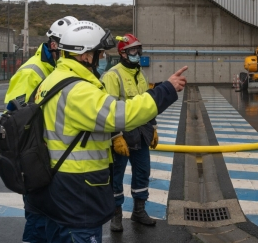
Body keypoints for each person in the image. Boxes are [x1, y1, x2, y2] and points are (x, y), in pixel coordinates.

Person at [25, 21, 187, 243]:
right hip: (77, 189)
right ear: (84, 55)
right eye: (98, 54)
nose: (101, 59)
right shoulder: (78, 90)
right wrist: (166, 90)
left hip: (57, 183)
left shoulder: (54, 79)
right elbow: (120, 115)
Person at [3, 16, 78, 243]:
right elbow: (14, 120)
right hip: (35, 159)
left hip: (53, 158)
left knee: (53, 219)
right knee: (38, 219)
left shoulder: (59, 68)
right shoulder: (32, 72)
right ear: (55, 44)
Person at [100, 33, 157, 232]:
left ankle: (139, 211)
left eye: (138, 50)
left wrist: (154, 127)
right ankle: (116, 216)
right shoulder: (112, 76)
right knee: (116, 177)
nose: (137, 53)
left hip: (141, 135)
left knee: (142, 173)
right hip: (122, 137)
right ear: (123, 54)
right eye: (133, 50)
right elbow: (108, 110)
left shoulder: (140, 74)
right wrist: (115, 137)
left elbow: (147, 104)